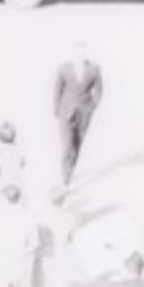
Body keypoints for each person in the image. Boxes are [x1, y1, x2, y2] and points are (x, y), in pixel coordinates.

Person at [53, 44, 103, 185]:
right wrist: (56, 108)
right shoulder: (64, 68)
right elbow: (57, 89)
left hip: (85, 111)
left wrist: (93, 106)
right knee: (67, 144)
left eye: (83, 52)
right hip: (66, 110)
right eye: (77, 52)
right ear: (73, 53)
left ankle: (71, 166)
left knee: (78, 142)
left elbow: (99, 89)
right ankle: (66, 175)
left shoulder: (94, 68)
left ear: (86, 53)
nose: (80, 54)